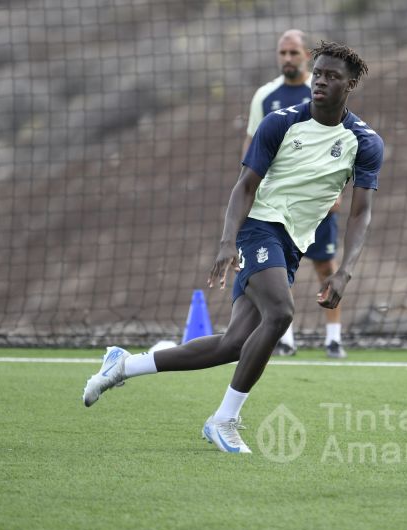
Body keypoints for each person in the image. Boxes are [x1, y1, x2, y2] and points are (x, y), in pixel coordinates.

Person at [82, 41, 383, 454]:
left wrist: (345, 269)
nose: (320, 81)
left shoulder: (364, 142)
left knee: (232, 345)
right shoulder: (280, 122)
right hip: (259, 229)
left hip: (293, 244)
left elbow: (360, 212)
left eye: (332, 77)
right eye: (318, 74)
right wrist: (227, 242)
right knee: (280, 313)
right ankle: (223, 420)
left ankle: (124, 365)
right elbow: (244, 186)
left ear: (349, 86)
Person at [242, 29, 348, 359]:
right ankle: (286, 338)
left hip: (316, 205)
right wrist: (249, 192)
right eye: (282, 53)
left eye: (293, 53)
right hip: (276, 206)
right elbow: (251, 146)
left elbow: (341, 143)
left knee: (324, 265)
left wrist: (337, 190)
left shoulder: (320, 91)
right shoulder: (265, 96)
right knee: (280, 267)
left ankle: (334, 338)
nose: (287, 59)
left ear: (306, 56)